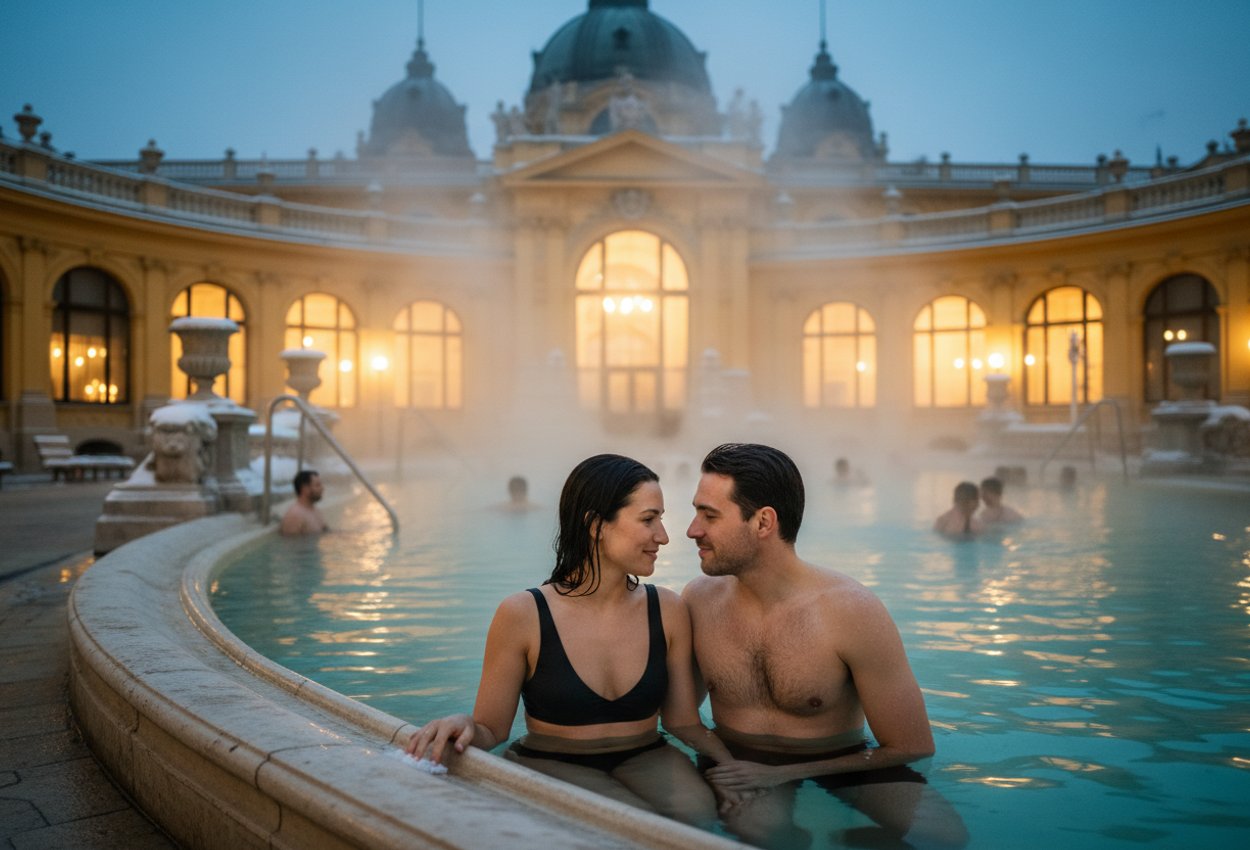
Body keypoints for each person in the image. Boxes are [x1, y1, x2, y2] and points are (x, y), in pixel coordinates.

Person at [405, 454, 749, 825]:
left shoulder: (666, 609)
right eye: (649, 520)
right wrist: (464, 723)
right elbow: (492, 729)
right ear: (596, 525)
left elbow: (683, 721)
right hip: (551, 759)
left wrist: (732, 768)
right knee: (635, 826)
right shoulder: (524, 614)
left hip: (646, 753)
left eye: (661, 520)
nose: (663, 536)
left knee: (698, 815)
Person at [683, 443, 968, 848]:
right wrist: (723, 767)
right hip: (736, 759)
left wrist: (781, 775)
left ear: (763, 522)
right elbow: (680, 716)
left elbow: (912, 745)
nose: (693, 530)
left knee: (944, 837)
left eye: (709, 515)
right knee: (762, 836)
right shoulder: (699, 600)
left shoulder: (851, 612)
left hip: (844, 759)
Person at [280, 469, 329, 535]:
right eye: (317, 485)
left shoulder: (312, 509)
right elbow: (290, 544)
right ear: (304, 488)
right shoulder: (295, 515)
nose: (322, 488)